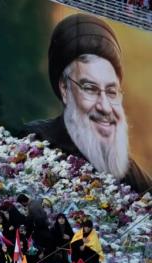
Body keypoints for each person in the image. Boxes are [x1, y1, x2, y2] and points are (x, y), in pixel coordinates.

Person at [26, 13, 152, 193]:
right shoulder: (33, 138)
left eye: (111, 91)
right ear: (64, 88)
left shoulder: (133, 177)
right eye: (90, 89)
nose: (105, 107)